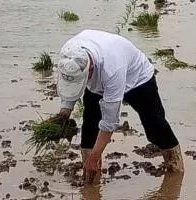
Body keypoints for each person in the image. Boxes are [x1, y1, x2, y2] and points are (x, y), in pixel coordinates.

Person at [54, 29, 183, 184]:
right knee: (89, 129)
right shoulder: (68, 55)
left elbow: (109, 123)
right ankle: (91, 181)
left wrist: (94, 158)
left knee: (155, 126)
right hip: (99, 82)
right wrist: (63, 116)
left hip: (138, 79)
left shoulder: (112, 69)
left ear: (90, 69)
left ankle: (175, 169)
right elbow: (69, 85)